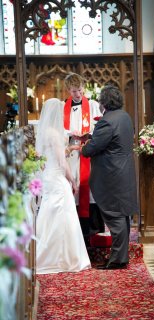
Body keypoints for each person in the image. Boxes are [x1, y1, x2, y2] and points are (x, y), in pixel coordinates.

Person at [81, 85, 139, 270]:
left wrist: (84, 146)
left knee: (114, 216)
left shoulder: (106, 121)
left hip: (111, 175)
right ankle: (120, 257)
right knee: (122, 216)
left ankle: (117, 260)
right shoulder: (124, 116)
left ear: (104, 102)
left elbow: (92, 148)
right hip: (124, 171)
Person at [35, 98, 91, 274]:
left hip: (47, 177)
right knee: (64, 216)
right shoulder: (54, 134)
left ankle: (43, 255)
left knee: (47, 215)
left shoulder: (43, 133)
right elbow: (61, 162)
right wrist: (72, 180)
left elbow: (43, 158)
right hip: (57, 178)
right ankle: (63, 259)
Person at [64, 72, 105, 245]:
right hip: (72, 155)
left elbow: (101, 126)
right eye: (74, 91)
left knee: (90, 191)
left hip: (88, 152)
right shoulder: (63, 108)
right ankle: (76, 233)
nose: (78, 94)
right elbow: (60, 129)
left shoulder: (93, 105)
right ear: (68, 90)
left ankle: (92, 230)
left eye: (80, 90)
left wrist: (88, 136)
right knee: (75, 188)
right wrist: (71, 135)